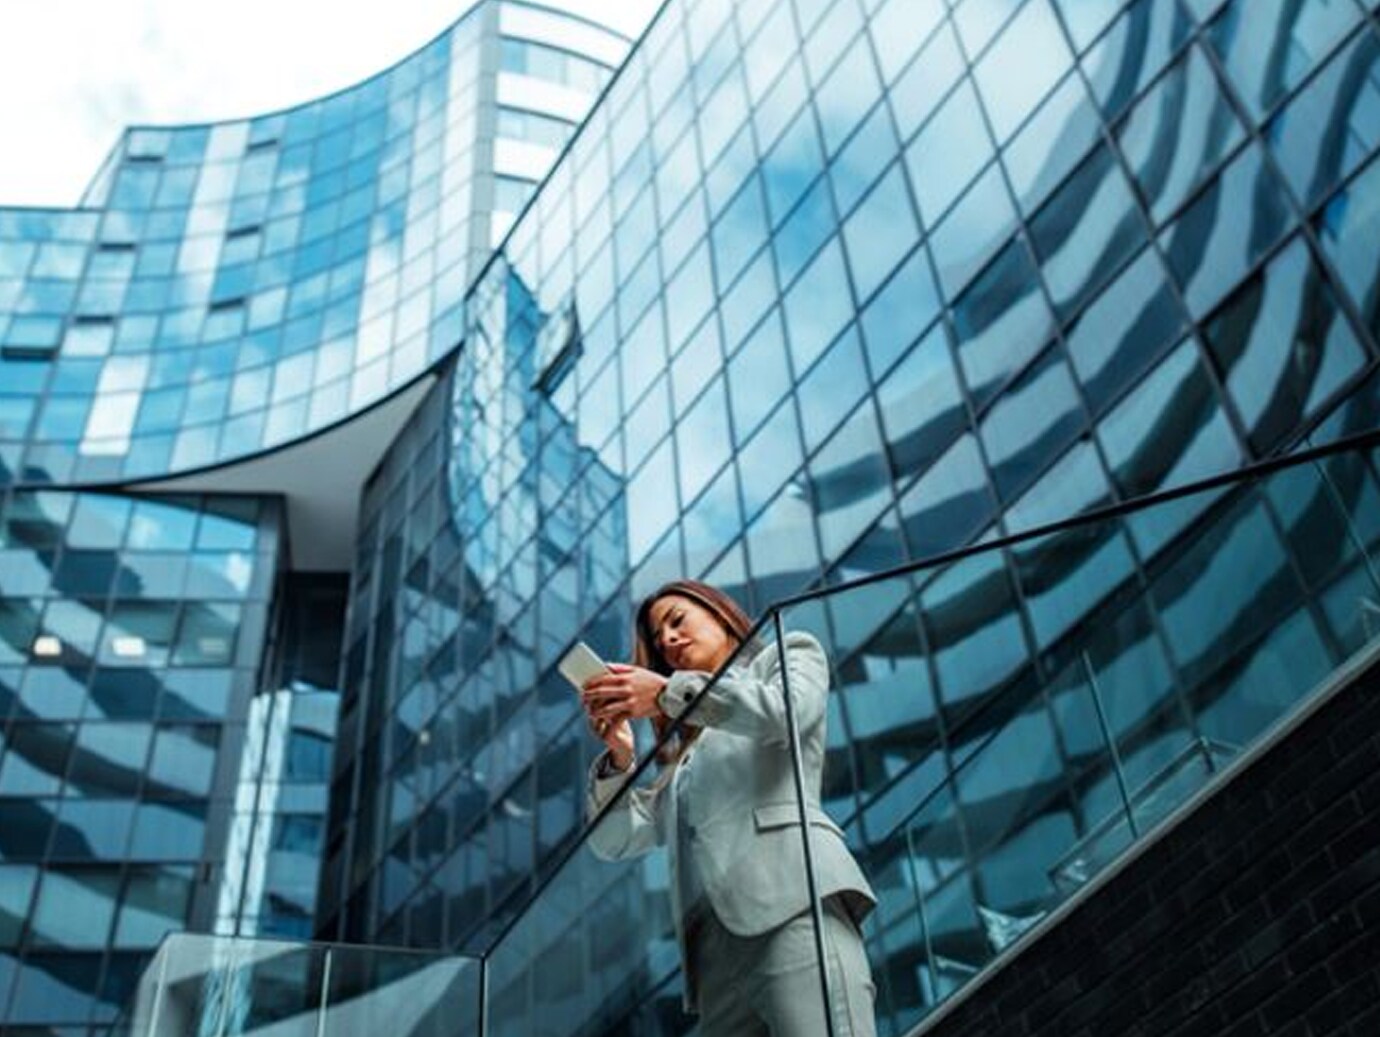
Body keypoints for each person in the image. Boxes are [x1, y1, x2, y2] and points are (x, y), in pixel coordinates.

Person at [580, 579, 877, 1036]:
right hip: (713, 959)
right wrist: (620, 757)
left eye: (677, 622)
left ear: (719, 613)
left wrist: (665, 694)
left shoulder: (786, 652)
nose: (670, 641)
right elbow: (615, 840)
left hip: (791, 906)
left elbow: (789, 711)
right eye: (659, 643)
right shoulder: (683, 764)